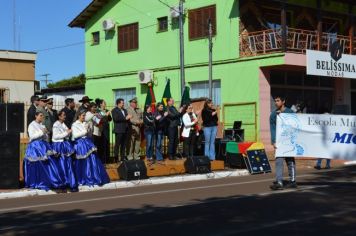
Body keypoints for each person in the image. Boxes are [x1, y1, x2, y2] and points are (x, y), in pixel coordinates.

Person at [23, 111, 63, 190]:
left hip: (43, 145)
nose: (42, 117)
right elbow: (32, 136)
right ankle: (36, 182)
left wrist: (46, 134)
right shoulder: (32, 125)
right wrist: (42, 132)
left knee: (47, 163)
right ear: (36, 116)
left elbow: (44, 137)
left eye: (43, 116)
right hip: (35, 147)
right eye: (40, 116)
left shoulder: (42, 125)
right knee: (37, 164)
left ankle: (48, 181)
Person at [71, 110, 110, 186]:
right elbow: (75, 135)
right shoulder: (75, 124)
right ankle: (82, 178)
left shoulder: (85, 123)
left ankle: (94, 177)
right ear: (79, 116)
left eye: (84, 115)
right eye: (83, 115)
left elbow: (88, 134)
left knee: (93, 159)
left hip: (87, 142)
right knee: (82, 162)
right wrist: (85, 130)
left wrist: (88, 129)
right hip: (80, 144)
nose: (84, 117)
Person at [269, 95, 297, 190]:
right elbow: (272, 129)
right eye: (275, 101)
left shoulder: (290, 112)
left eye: (278, 100)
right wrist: (273, 141)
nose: (276, 102)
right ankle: (279, 182)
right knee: (278, 161)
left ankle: (293, 181)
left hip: (289, 141)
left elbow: (296, 124)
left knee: (290, 161)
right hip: (279, 142)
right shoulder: (273, 114)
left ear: (283, 101)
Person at [52, 110, 78, 191]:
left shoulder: (63, 124)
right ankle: (62, 183)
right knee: (61, 164)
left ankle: (69, 182)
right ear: (59, 116)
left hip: (64, 145)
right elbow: (56, 136)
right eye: (63, 115)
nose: (65, 116)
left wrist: (68, 133)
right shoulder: (56, 124)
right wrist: (66, 133)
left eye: (65, 115)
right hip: (58, 146)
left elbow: (66, 134)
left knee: (68, 164)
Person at [112, 98, 132, 163]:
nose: (123, 104)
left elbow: (127, 118)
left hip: (125, 130)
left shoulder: (125, 110)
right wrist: (125, 118)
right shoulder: (114, 110)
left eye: (123, 103)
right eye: (122, 103)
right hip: (119, 130)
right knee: (117, 145)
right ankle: (116, 158)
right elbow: (115, 119)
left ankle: (122, 158)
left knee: (123, 145)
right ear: (118, 103)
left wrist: (129, 117)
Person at [93, 98, 112, 164]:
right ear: (101, 104)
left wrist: (109, 115)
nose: (105, 104)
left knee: (106, 143)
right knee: (101, 144)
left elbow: (110, 119)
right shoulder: (98, 111)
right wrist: (105, 114)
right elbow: (99, 119)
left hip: (106, 128)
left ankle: (107, 159)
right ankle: (102, 159)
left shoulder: (106, 110)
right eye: (104, 103)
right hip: (101, 128)